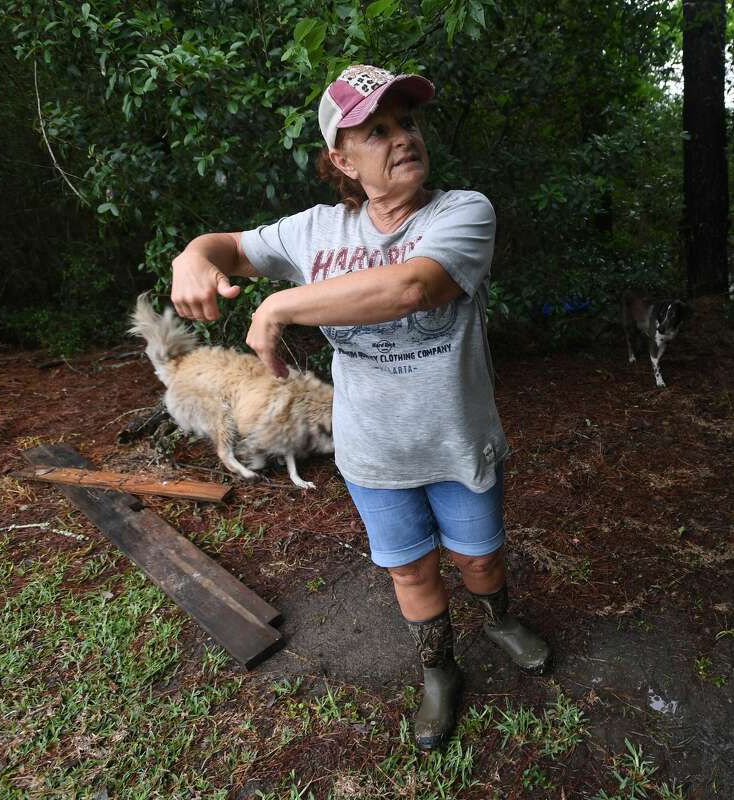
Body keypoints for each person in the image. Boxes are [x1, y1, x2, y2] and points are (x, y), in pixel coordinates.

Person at [168, 64, 550, 750]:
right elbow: (226, 247)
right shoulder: (312, 232)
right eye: (378, 130)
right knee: (410, 570)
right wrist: (192, 257)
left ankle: (497, 617)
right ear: (343, 160)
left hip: (458, 443)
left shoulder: (463, 211)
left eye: (407, 123)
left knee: (480, 563)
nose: (403, 137)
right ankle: (439, 671)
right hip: (373, 450)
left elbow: (413, 287)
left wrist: (281, 304)